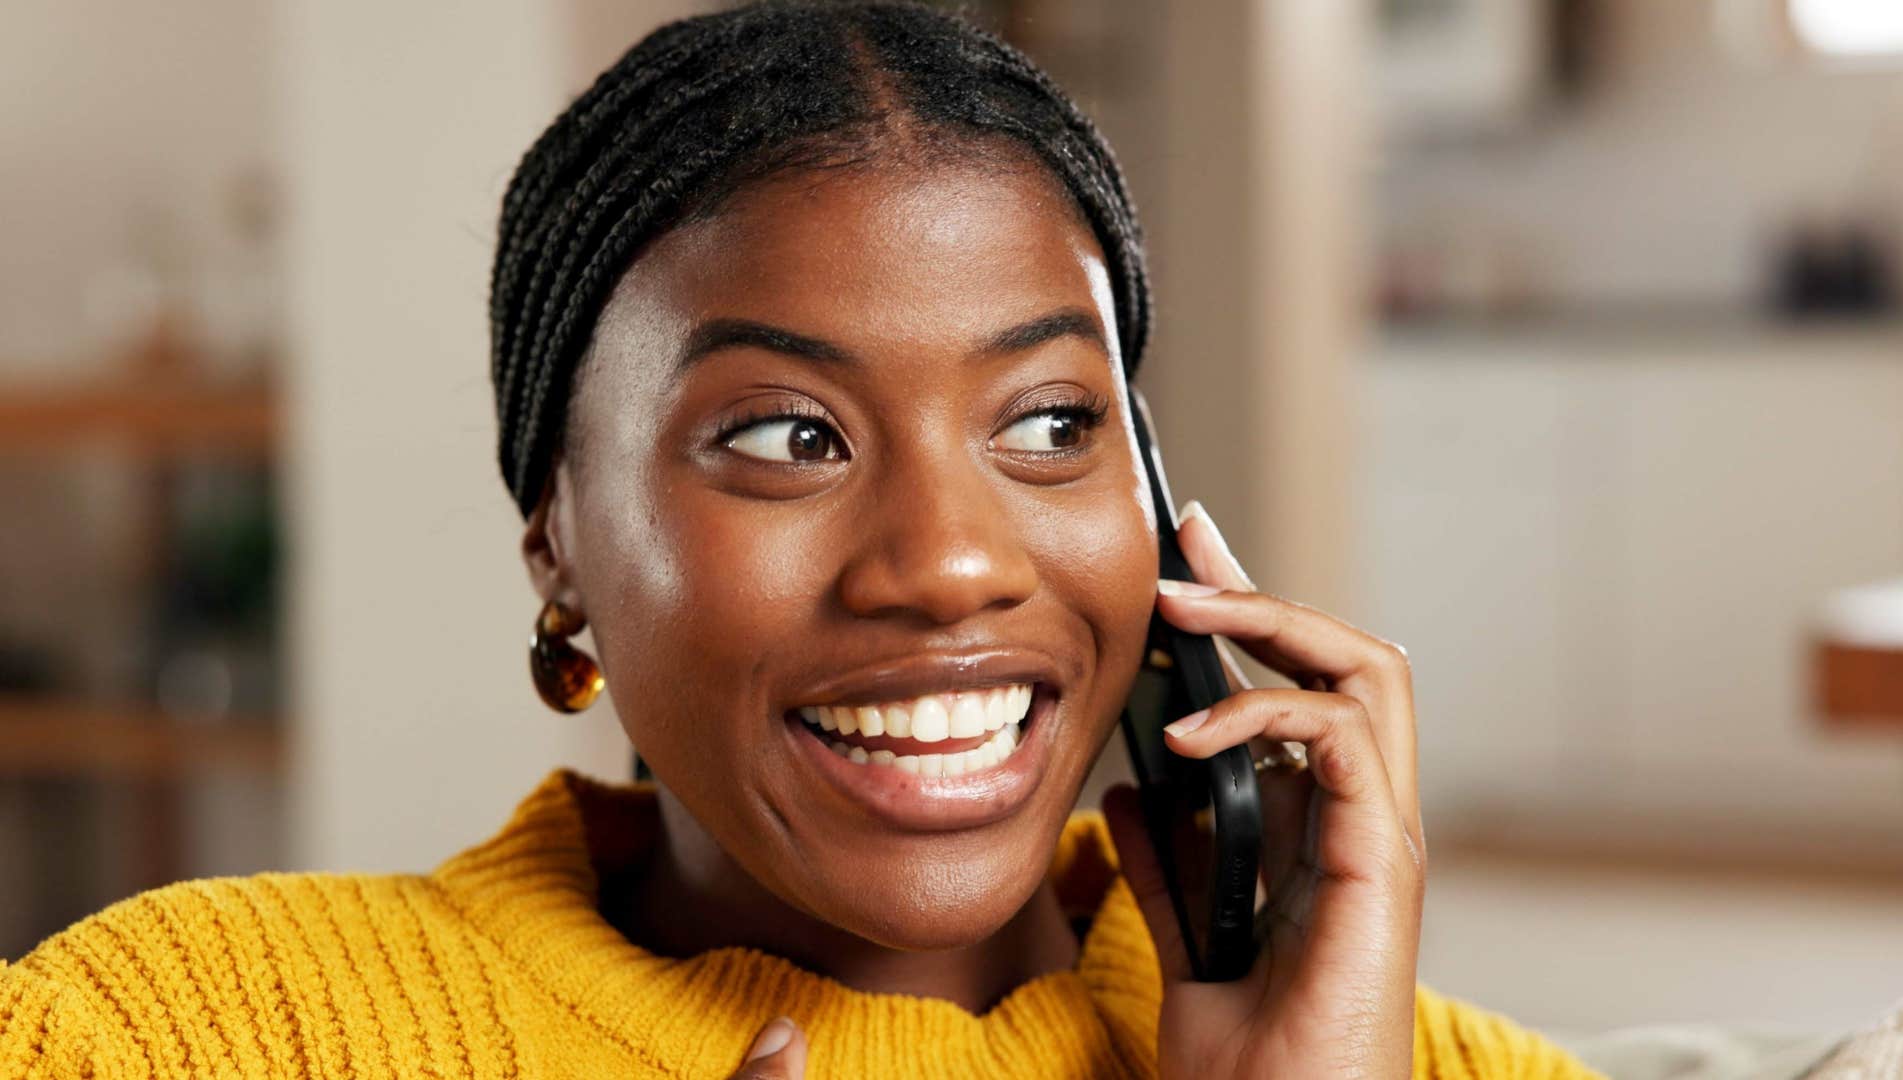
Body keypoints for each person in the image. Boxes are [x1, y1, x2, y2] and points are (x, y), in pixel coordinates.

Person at [0, 4, 1602, 1076]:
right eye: (787, 438)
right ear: (557, 537)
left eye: (1049, 424)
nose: (951, 563)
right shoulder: (182, 1030)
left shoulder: (1418, 1063)